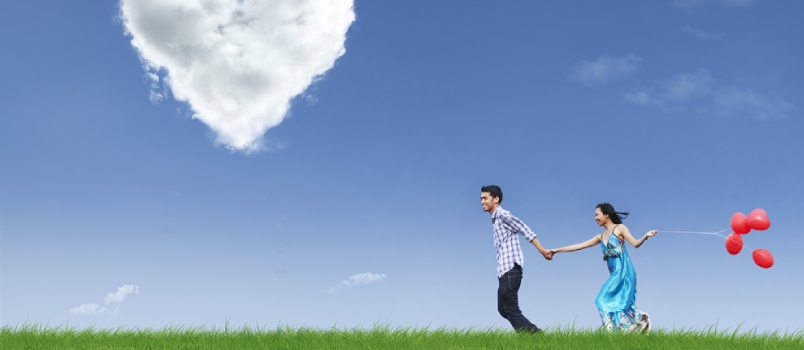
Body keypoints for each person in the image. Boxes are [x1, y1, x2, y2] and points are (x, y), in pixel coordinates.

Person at [549, 203, 657, 332]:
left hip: (624, 272)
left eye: (597, 215)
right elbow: (579, 246)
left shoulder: (620, 228)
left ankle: (616, 330)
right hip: (614, 274)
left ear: (606, 215)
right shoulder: (600, 237)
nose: (595, 218)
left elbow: (635, 243)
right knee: (614, 303)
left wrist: (646, 236)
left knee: (602, 300)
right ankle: (625, 329)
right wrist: (556, 250)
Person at [480, 185, 552, 333]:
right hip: (503, 270)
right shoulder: (495, 219)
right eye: (481, 199)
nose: (482, 201)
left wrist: (542, 250)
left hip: (511, 269)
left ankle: (533, 337)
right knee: (503, 309)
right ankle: (535, 334)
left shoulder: (503, 215)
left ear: (496, 199)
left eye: (485, 198)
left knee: (511, 309)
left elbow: (524, 229)